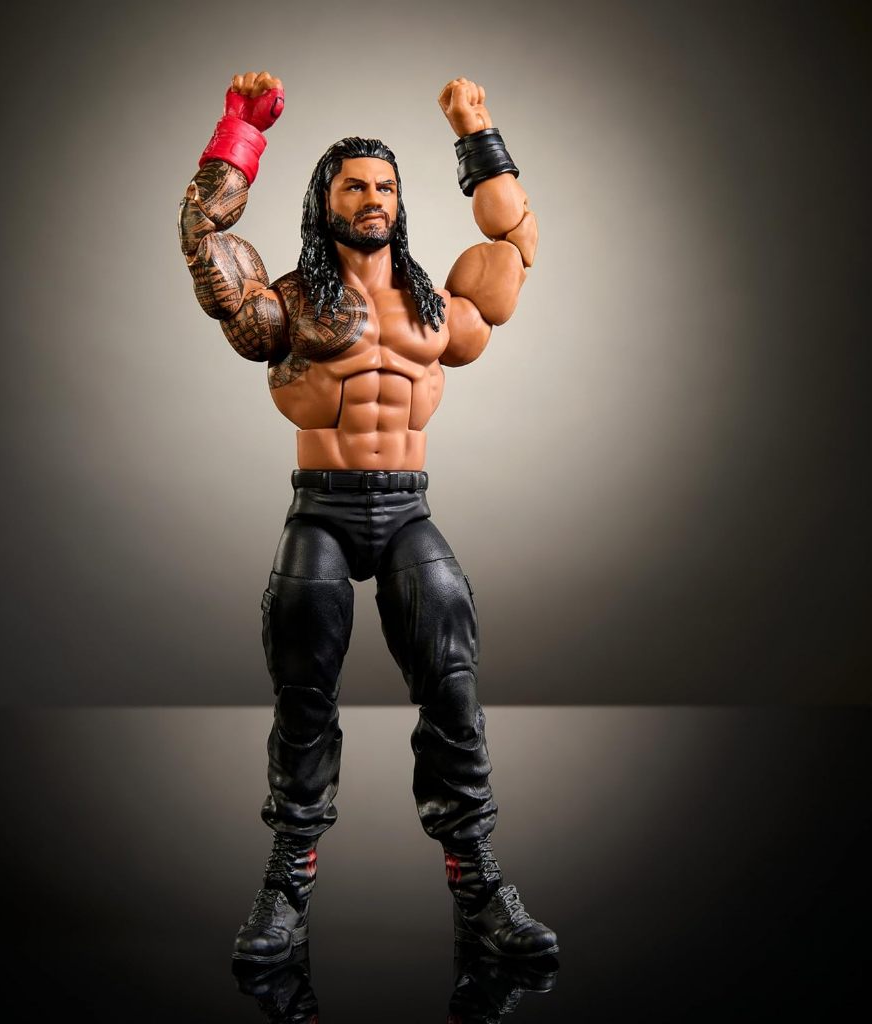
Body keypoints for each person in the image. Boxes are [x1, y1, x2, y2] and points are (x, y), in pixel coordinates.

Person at [179, 71, 555, 963]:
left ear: (400, 200)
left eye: (385, 185)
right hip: (321, 508)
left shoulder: (435, 305)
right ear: (327, 200)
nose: (373, 198)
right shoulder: (291, 303)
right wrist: (239, 136)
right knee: (302, 694)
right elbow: (207, 245)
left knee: (453, 684)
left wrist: (477, 132)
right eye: (354, 186)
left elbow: (515, 243)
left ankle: (479, 880)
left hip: (407, 509)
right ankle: (286, 884)